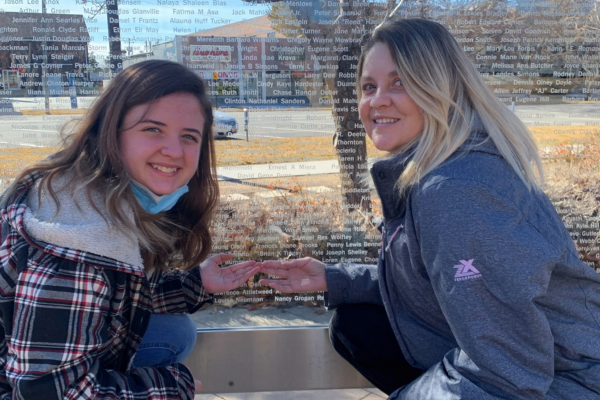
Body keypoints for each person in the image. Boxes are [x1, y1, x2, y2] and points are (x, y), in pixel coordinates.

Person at [259, 19, 600, 399]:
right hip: (531, 365)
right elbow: (434, 277)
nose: (377, 101)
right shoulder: (438, 168)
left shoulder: (455, 191)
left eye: (400, 82)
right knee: (356, 326)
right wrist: (337, 280)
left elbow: (508, 369)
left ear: (441, 87)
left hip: (568, 383)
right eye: (369, 87)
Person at [0, 60, 259, 400]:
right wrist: (169, 387)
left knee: (177, 330)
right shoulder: (75, 238)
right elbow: (46, 393)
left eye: (189, 137)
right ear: (111, 130)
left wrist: (196, 284)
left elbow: (117, 291)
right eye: (153, 129)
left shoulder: (87, 189)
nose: (174, 150)